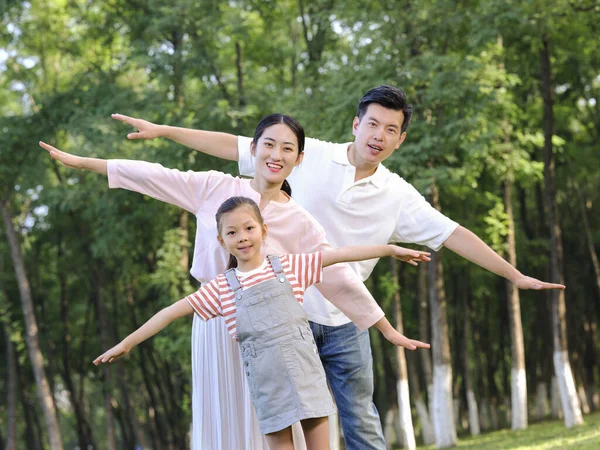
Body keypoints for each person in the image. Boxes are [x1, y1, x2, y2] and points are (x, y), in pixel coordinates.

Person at [110, 84, 566, 449]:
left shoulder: (399, 195)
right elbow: (230, 146)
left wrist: (513, 274)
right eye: (373, 124)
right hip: (287, 315)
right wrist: (163, 130)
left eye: (391, 130)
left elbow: (455, 234)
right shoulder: (308, 157)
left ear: (400, 139)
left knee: (360, 420)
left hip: (347, 315)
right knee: (274, 421)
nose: (379, 136)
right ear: (357, 123)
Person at [40, 112, 428, 450]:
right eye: (269, 145)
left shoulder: (301, 221)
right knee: (224, 417)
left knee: (275, 422)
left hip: (271, 337)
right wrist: (82, 162)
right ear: (254, 149)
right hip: (214, 319)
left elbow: (338, 276)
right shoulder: (216, 187)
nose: (276, 156)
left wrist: (387, 330)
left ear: (299, 159)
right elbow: (154, 175)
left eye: (287, 149)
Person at [94, 196, 431, 450]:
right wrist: (127, 343)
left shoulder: (289, 266)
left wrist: (389, 249)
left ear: (263, 231)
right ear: (221, 241)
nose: (242, 237)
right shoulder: (221, 288)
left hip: (306, 376)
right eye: (232, 232)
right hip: (269, 390)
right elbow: (169, 313)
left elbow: (339, 255)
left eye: (249, 228)